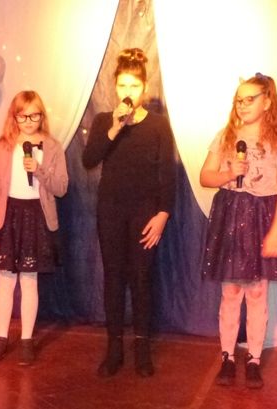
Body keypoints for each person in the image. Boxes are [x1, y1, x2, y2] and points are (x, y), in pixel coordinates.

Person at [82, 48, 176, 378]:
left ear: (145, 87)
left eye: (134, 86)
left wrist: (163, 214)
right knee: (113, 277)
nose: (128, 92)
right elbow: (89, 160)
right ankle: (114, 349)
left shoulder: (158, 125)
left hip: (145, 212)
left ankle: (142, 349)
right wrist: (114, 128)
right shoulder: (103, 121)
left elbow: (167, 174)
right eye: (122, 85)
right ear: (114, 87)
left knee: (141, 278)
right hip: (110, 209)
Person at [200, 73, 277, 388]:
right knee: (230, 292)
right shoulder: (226, 136)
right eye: (239, 100)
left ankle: (253, 358)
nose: (243, 105)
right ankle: (227, 356)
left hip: (260, 219)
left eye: (250, 99)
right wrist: (228, 173)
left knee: (256, 292)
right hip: (230, 216)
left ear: (267, 102)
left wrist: (276, 231)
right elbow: (205, 176)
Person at [0, 90, 68, 365]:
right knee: (6, 280)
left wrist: (39, 169)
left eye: (34, 115)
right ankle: (1, 338)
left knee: (29, 281)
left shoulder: (52, 147)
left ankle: (27, 340)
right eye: (23, 116)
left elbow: (61, 188)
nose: (28, 121)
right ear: (14, 117)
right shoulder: (4, 146)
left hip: (36, 216)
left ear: (42, 116)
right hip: (9, 215)